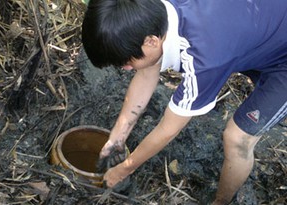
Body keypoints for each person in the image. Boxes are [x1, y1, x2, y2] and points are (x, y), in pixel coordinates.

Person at [81, 0, 287, 204]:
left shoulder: (203, 60)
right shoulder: (150, 14)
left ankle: (221, 201)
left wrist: (124, 168)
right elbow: (146, 74)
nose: (125, 68)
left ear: (151, 41)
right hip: (261, 30)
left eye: (127, 61)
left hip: (281, 58)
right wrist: (117, 138)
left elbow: (168, 129)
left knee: (237, 139)